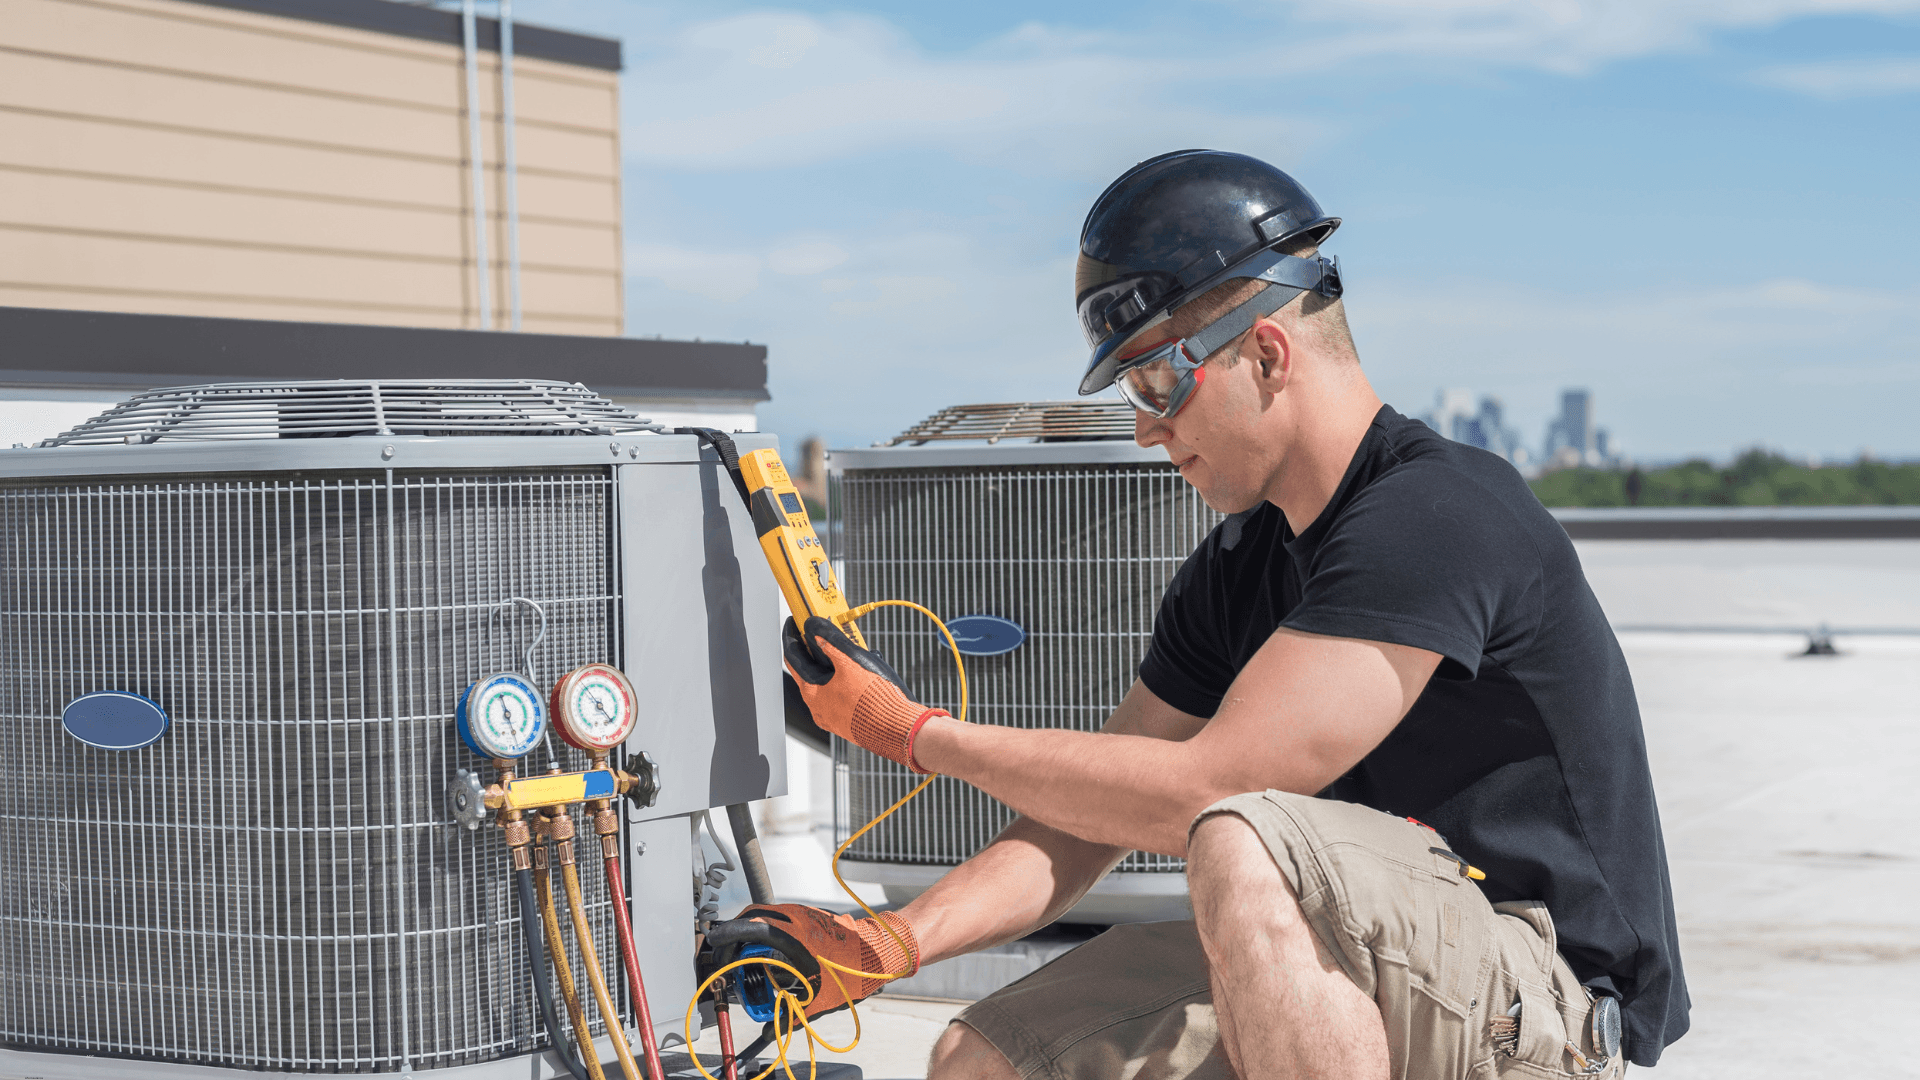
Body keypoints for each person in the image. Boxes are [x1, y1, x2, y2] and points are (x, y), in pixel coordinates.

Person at [709, 150, 1687, 1079]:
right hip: (1371, 965)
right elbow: (1082, 825)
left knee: (1242, 838)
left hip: (1540, 999)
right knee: (990, 1056)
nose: (1146, 427)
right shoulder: (1239, 566)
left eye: (1157, 380)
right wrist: (890, 939)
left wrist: (915, 734)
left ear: (1266, 353)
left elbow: (1212, 790)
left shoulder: (1435, 516)